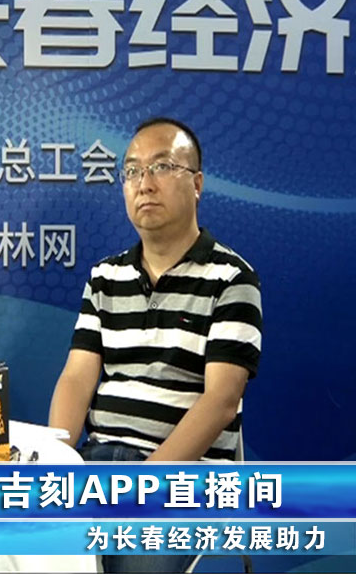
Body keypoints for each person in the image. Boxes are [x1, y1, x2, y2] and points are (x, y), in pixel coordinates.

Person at [49, 117, 262, 573]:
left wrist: (146, 485)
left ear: (197, 184)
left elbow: (222, 401)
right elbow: (77, 377)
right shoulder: (105, 277)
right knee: (21, 545)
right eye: (132, 171)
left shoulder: (232, 279)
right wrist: (58, 462)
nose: (144, 184)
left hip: (183, 477)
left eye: (162, 167)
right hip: (96, 463)